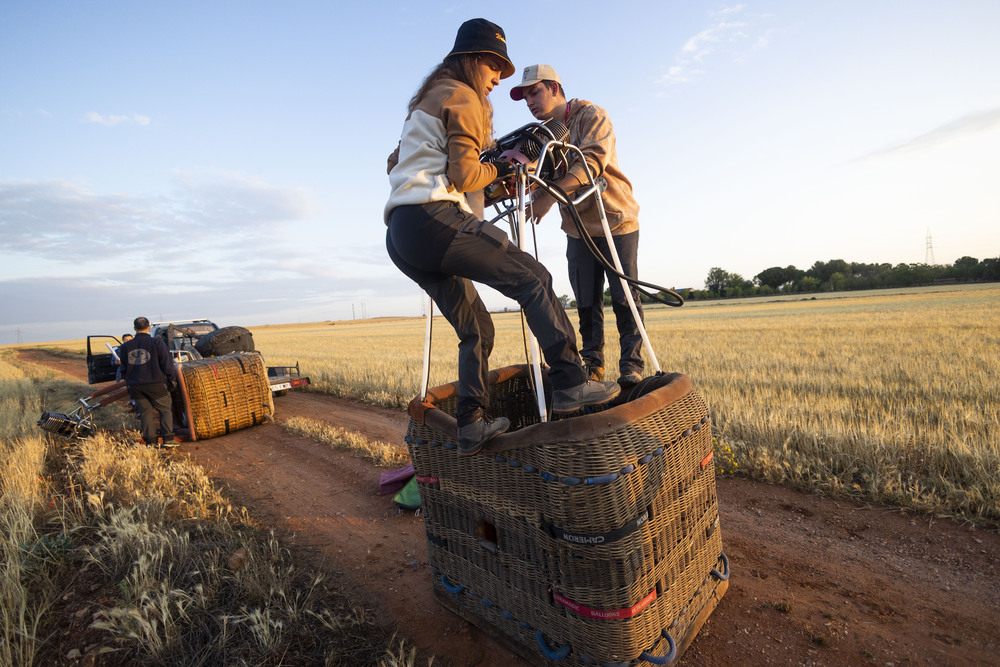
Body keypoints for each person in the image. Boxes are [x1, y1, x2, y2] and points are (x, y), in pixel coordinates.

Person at [384, 19, 620, 456]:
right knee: (534, 278)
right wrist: (507, 167)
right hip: (435, 220)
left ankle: (471, 423)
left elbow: (395, 164)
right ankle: (571, 382)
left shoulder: (424, 102)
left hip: (401, 233)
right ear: (473, 62)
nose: (497, 79)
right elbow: (466, 174)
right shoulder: (465, 97)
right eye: (494, 67)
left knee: (476, 329)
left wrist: (483, 174)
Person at [510, 64, 645, 386]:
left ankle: (632, 365)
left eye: (534, 92)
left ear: (555, 88)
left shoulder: (591, 115)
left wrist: (549, 197)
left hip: (614, 219)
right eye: (524, 96)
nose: (529, 101)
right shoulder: (542, 134)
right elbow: (537, 174)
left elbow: (593, 161)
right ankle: (593, 366)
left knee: (625, 297)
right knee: (586, 302)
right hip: (576, 227)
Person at [119, 316, 178, 446]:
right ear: (149, 328)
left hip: (135, 387)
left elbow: (123, 368)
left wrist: (129, 382)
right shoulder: (157, 343)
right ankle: (168, 439)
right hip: (156, 384)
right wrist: (172, 380)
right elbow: (167, 364)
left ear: (134, 328)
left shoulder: (125, 347)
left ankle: (150, 442)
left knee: (145, 413)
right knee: (165, 410)